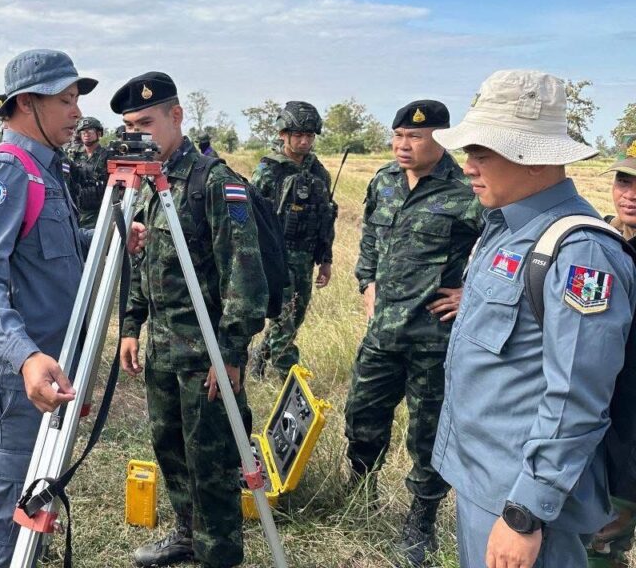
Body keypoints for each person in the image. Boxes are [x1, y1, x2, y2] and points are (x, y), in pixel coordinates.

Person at [431, 70, 636, 568]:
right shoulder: (504, 228)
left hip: (524, 504)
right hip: (483, 481)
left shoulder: (580, 252)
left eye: (483, 153)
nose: (468, 167)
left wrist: (526, 512)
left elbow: (576, 398)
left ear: (535, 157)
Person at [0, 49, 143, 568]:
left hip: (47, 371)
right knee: (2, 524)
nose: (76, 112)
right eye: (65, 100)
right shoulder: (7, 172)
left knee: (33, 507)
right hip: (15, 381)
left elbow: (44, 248)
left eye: (76, 100)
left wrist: (105, 236)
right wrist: (25, 356)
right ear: (26, 103)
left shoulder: (46, 169)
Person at [115, 71, 268, 568]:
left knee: (212, 461)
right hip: (162, 350)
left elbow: (244, 276)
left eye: (145, 123)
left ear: (176, 116)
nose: (137, 135)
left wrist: (231, 354)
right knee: (171, 449)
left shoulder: (214, 183)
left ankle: (218, 554)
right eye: (129, 127)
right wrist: (131, 326)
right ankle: (188, 534)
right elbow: (143, 262)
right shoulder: (146, 182)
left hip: (206, 356)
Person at [344, 99, 483, 566]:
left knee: (428, 434)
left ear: (439, 139)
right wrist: (366, 282)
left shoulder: (465, 189)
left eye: (415, 137)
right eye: (398, 135)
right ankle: (360, 490)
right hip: (381, 332)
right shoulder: (383, 180)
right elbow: (370, 238)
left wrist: (471, 294)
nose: (403, 145)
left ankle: (421, 520)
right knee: (362, 416)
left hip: (433, 339)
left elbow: (504, 248)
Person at [249, 100, 336, 378]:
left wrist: (325, 260)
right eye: (298, 135)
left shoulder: (319, 172)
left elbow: (326, 217)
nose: (304, 141)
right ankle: (291, 380)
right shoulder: (269, 170)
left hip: (305, 258)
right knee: (283, 319)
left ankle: (260, 358)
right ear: (283, 134)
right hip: (277, 256)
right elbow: (251, 215)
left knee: (294, 317)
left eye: (309, 136)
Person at [588, 135, 636, 568]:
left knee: (609, 529)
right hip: (594, 413)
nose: (631, 194)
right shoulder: (599, 240)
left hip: (631, 424)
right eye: (624, 180)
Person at [68, 116, 112, 228]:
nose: (86, 134)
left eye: (90, 131)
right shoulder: (74, 155)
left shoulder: (107, 155)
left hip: (100, 210)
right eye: (83, 132)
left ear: (99, 133)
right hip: (78, 208)